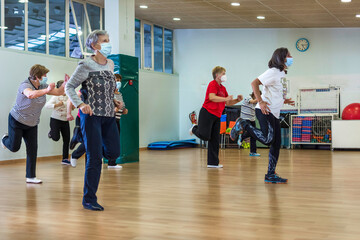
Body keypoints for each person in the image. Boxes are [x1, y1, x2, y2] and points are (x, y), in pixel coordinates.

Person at [65, 30, 122, 211]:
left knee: (113, 152)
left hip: (109, 115)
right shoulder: (85, 64)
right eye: (104, 41)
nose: (108, 43)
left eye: (108, 39)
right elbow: (69, 86)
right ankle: (89, 199)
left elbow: (107, 88)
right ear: (94, 45)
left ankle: (81, 139)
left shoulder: (111, 64)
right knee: (95, 158)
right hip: (91, 117)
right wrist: (80, 104)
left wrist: (113, 100)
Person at [230, 48, 295, 184]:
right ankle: (243, 123)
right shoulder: (273, 72)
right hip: (265, 110)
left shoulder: (282, 73)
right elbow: (254, 83)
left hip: (274, 113)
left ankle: (270, 174)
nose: (291, 57)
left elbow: (275, 92)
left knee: (276, 144)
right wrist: (260, 101)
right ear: (281, 58)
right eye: (288, 55)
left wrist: (285, 100)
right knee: (267, 139)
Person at [1, 64, 67, 184]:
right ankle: (5, 139)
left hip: (32, 123)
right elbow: (30, 94)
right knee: (15, 147)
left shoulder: (42, 85)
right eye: (44, 75)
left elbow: (59, 92)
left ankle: (30, 176)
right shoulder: (25, 85)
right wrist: (47, 91)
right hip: (17, 120)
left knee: (32, 149)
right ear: (37, 76)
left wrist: (65, 84)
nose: (46, 77)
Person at [190, 66, 243, 168]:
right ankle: (194, 128)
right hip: (207, 113)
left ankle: (213, 163)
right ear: (217, 75)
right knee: (205, 136)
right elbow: (212, 97)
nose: (225, 76)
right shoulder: (212, 84)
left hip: (217, 115)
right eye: (223, 74)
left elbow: (227, 102)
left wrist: (237, 100)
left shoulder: (223, 88)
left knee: (215, 139)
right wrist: (225, 98)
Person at [45, 79, 71, 165]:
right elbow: (47, 106)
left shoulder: (68, 96)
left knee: (67, 139)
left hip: (65, 120)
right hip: (55, 120)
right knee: (56, 138)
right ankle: (51, 132)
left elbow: (72, 105)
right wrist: (57, 105)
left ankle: (65, 158)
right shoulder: (55, 97)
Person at [238, 91, 262, 157]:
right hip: (244, 119)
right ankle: (242, 137)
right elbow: (252, 101)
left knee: (253, 135)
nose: (258, 97)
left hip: (252, 119)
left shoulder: (257, 103)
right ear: (254, 94)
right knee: (251, 131)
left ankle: (253, 152)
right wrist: (260, 99)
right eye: (258, 95)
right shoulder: (248, 98)